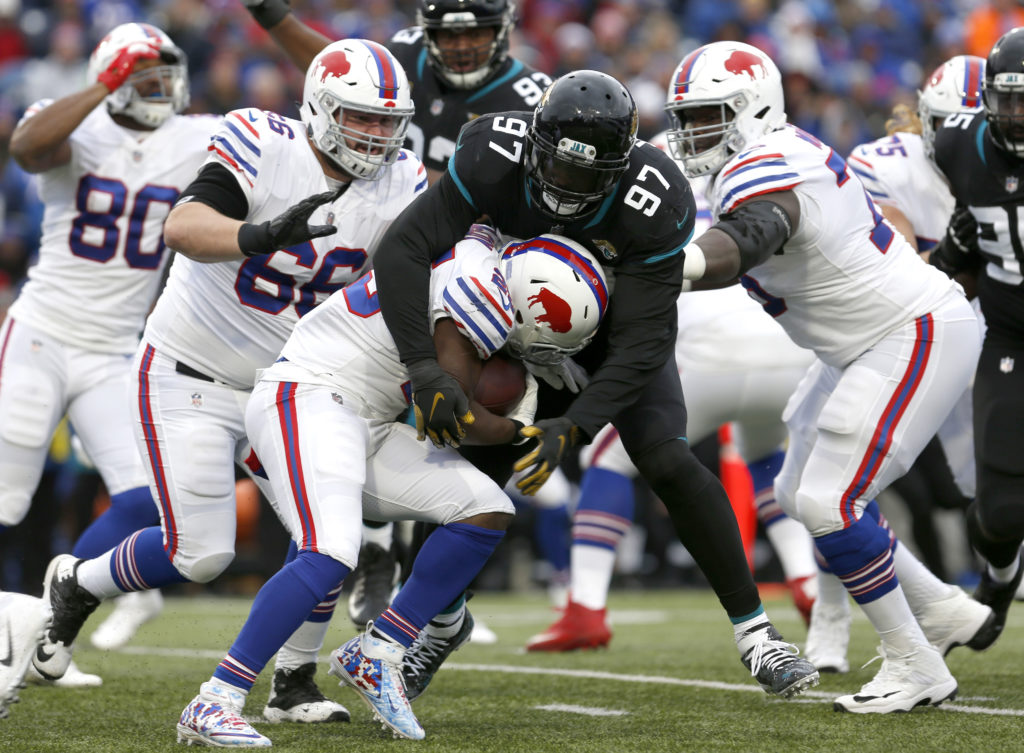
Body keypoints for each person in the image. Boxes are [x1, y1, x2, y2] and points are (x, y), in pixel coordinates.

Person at [370, 68, 819, 699]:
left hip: (610, 332)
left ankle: (757, 635)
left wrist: (577, 424)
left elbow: (642, 343)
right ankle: (438, 625)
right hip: (510, 321)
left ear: (619, 168)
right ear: (534, 144)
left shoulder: (654, 196)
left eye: (585, 176)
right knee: (465, 466)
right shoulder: (492, 152)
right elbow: (405, 247)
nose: (564, 184)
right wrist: (423, 366)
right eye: (556, 164)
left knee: (666, 458)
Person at [21, 39, 426, 726]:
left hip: (289, 385)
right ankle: (78, 584)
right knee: (201, 554)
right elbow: (183, 225)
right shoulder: (264, 141)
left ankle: (293, 681)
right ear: (320, 108)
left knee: (329, 530)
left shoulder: (402, 179)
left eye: (388, 122)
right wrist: (261, 234)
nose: (375, 135)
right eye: (361, 117)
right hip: (191, 372)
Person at [666, 40, 995, 713]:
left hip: (912, 332)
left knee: (828, 501)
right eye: (686, 117)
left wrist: (678, 268)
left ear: (752, 109)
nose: (692, 132)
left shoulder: (766, 165)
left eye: (706, 115)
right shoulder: (767, 154)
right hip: (862, 345)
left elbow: (757, 231)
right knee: (795, 490)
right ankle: (940, 606)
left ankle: (915, 662)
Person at [177, 228, 605, 744]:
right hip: (311, 396)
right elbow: (453, 418)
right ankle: (215, 699)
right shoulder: (480, 292)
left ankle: (379, 650)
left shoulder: (481, 260)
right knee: (331, 550)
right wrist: (524, 429)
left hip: (369, 418)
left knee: (486, 506)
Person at [240, 0, 554, 631]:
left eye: (477, 32)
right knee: (384, 392)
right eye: (448, 34)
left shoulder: (531, 96)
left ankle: (417, 579)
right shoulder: (401, 59)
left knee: (443, 404)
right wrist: (274, 19)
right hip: (388, 247)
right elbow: (337, 69)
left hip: (464, 256)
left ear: (504, 29)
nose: (461, 46)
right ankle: (375, 549)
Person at [1, 21, 219, 695]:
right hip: (41, 334)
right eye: (143, 77)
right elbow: (26, 148)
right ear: (113, 78)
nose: (159, 89)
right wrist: (103, 85)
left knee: (148, 497)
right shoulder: (76, 121)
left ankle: (44, 628)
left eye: (164, 77)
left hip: (115, 351)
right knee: (7, 501)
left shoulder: (192, 136)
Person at [526, 152, 818, 652]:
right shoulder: (756, 167)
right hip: (784, 344)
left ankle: (585, 606)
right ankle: (805, 579)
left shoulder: (643, 171)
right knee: (765, 455)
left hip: (708, 348)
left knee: (608, 459)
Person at [803, 54, 989, 674]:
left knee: (979, 498)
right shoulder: (888, 165)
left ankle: (946, 607)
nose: (962, 142)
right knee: (809, 485)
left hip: (969, 344)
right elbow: (897, 269)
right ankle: (835, 615)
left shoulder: (1007, 170)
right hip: (882, 337)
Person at [931, 26, 1024, 648]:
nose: (1016, 114)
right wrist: (951, 252)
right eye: (1007, 99)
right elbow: (959, 259)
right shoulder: (959, 147)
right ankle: (1000, 577)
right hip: (1011, 337)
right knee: (1000, 513)